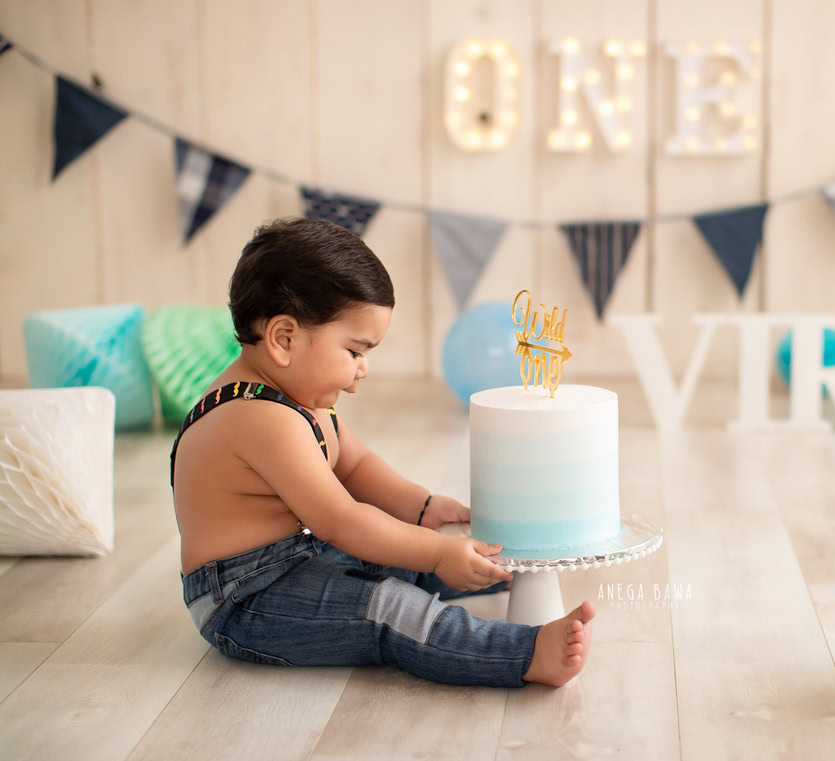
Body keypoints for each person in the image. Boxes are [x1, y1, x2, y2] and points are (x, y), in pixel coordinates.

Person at [171, 217, 594, 688]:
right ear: (284, 339)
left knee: (395, 552)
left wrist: (423, 508)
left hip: (299, 555)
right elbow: (344, 521)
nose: (364, 368)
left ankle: (488, 567)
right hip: (245, 597)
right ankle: (520, 653)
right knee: (388, 608)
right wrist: (435, 552)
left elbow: (356, 465)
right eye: (355, 351)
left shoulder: (298, 401)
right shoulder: (258, 417)